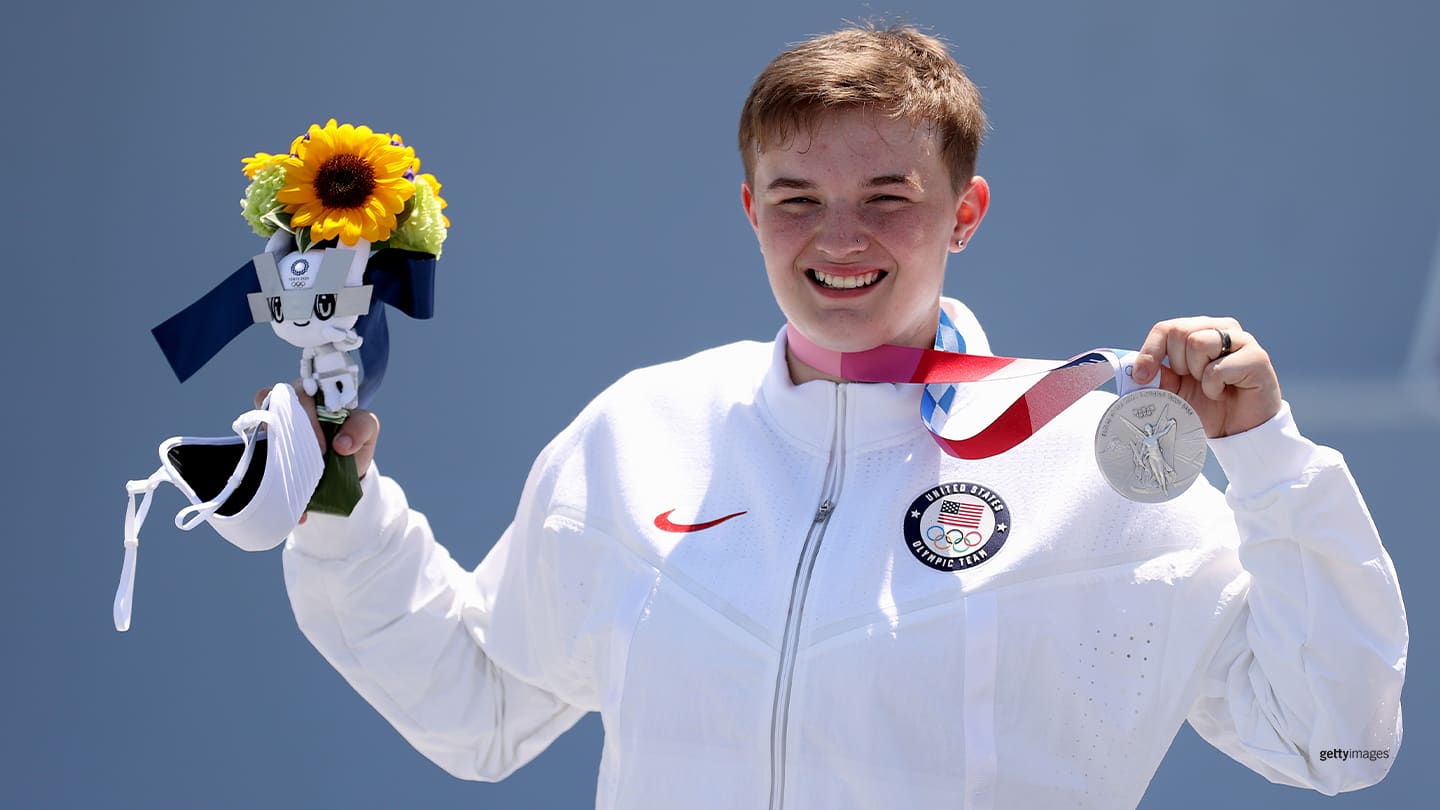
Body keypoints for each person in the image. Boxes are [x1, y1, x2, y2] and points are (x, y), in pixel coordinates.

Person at [276, 23, 1406, 809]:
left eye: (888, 199)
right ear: (749, 209)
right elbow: (483, 708)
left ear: (965, 212)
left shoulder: (1088, 468)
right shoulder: (641, 433)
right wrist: (338, 510)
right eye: (798, 200)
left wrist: (1267, 461)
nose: (840, 239)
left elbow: (1333, 739)